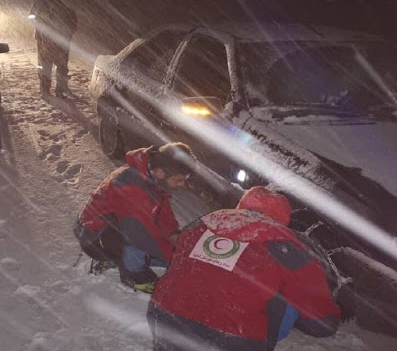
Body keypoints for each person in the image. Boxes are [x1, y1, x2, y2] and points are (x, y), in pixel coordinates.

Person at [148, 186, 341, 351]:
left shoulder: (202, 224)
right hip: (233, 337)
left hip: (165, 315)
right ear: (282, 218)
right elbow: (322, 324)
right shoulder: (287, 246)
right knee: (281, 291)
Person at [74, 142, 197, 293]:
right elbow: (140, 235)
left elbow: (163, 214)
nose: (183, 185)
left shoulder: (150, 176)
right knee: (138, 241)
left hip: (112, 227)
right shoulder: (131, 187)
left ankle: (123, 258)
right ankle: (133, 276)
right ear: (159, 172)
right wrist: (175, 256)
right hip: (93, 237)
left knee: (162, 249)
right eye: (179, 180)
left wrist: (175, 237)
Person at [30, 0, 77, 99]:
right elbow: (32, 17)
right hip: (46, 39)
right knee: (48, 65)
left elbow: (72, 20)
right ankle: (47, 89)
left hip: (59, 39)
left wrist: (69, 32)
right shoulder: (42, 1)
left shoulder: (63, 1)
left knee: (58, 65)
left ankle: (58, 88)